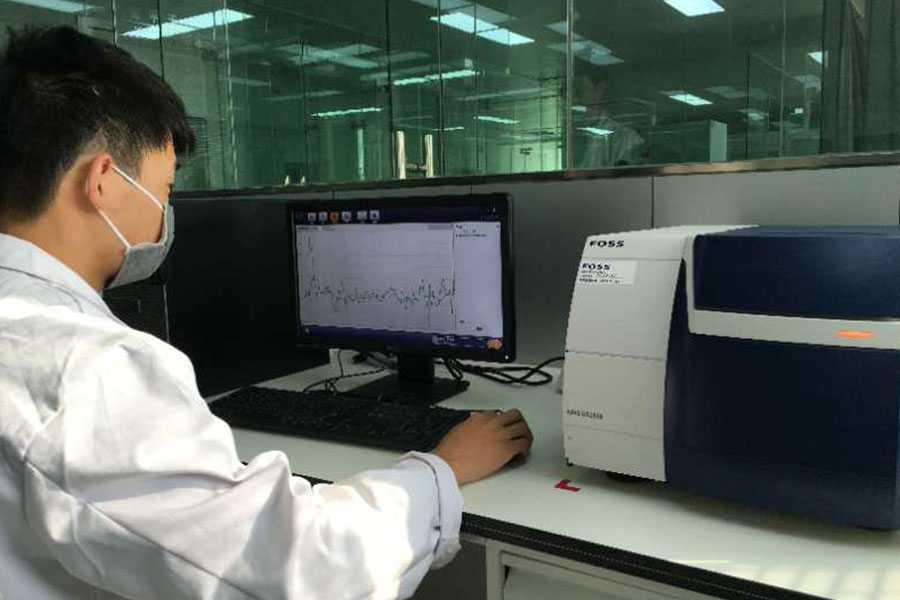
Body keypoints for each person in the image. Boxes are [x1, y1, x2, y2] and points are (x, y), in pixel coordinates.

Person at [0, 26, 533, 600]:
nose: (164, 215)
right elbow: (304, 568)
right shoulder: (84, 369)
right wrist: (443, 469)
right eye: (165, 189)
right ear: (103, 181)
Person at [573, 73, 646, 168]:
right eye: (566, 93)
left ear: (599, 91)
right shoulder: (570, 136)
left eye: (579, 92)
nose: (573, 100)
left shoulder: (627, 139)